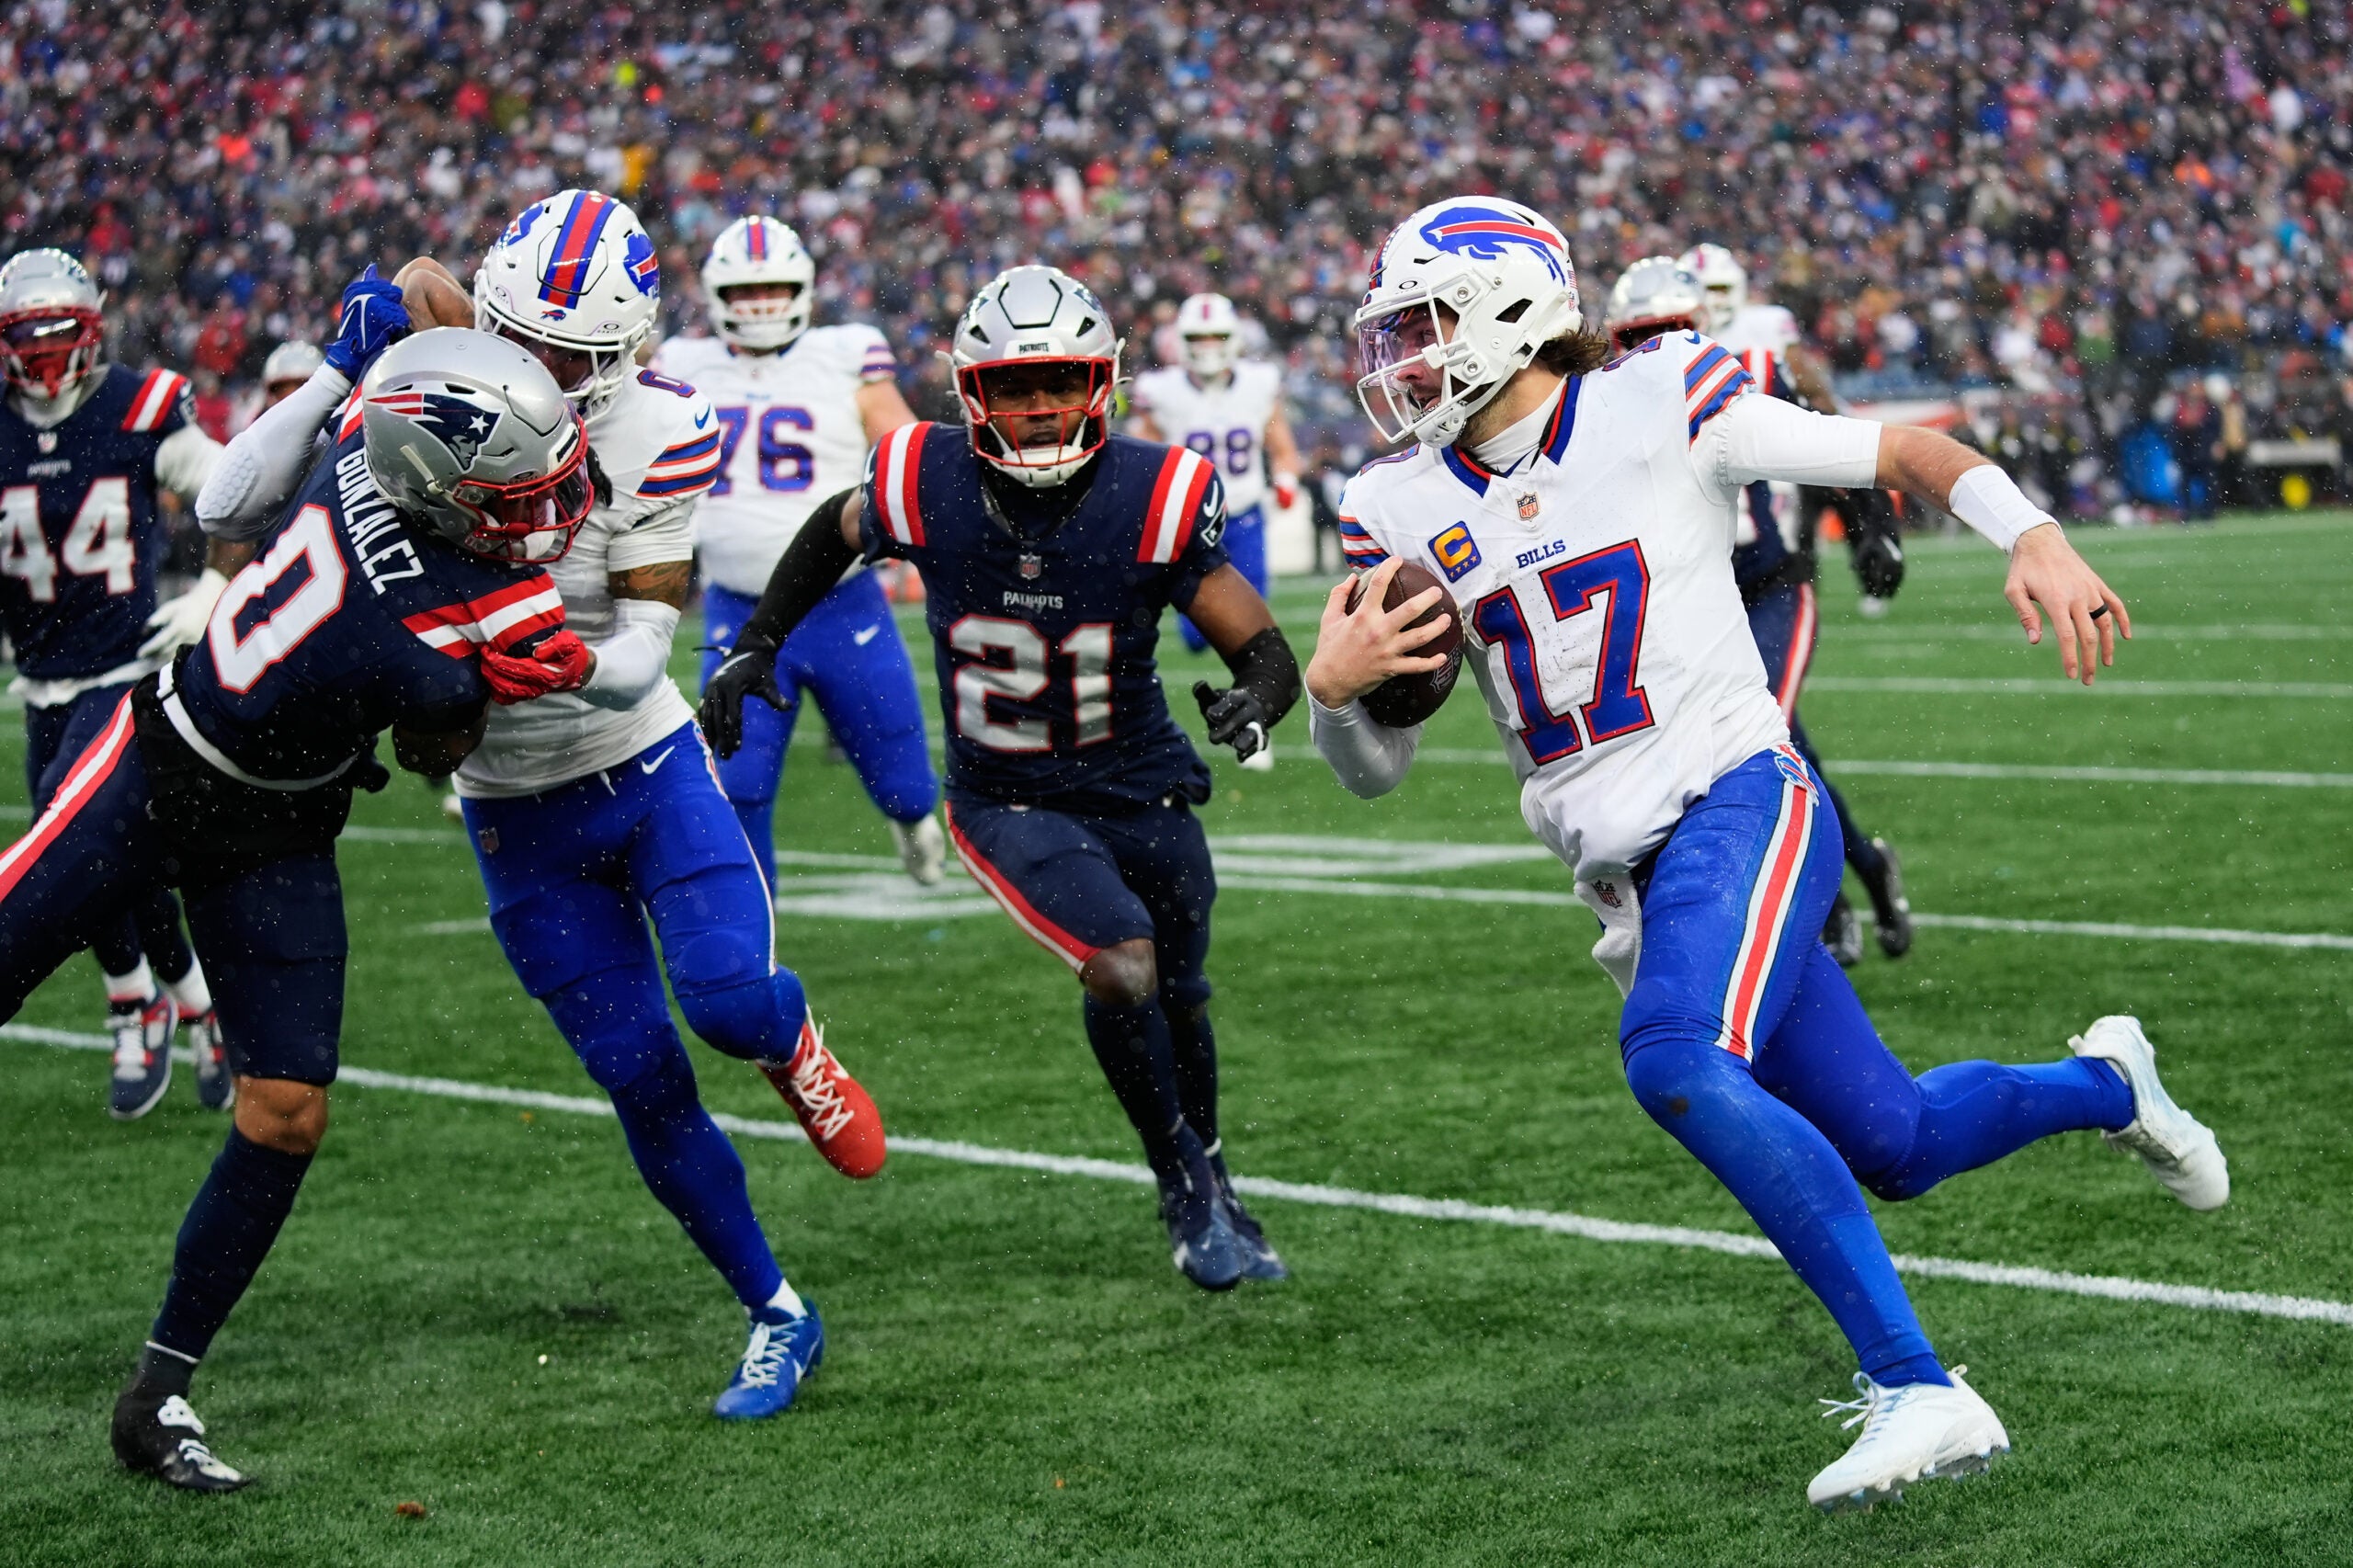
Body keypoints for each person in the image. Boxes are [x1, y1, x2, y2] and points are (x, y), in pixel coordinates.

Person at [1313, 197, 2229, 1510]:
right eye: (1395, 331)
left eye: (1427, 323)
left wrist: (2032, 532)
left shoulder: (1662, 396)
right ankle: (2110, 1083)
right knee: (1898, 1138)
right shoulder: (1392, 502)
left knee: (1674, 1055)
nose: (1404, 358)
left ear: (1512, 307)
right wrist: (1334, 693)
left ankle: (1920, 1384)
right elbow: (1375, 769)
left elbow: (1906, 449)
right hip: (1634, 874)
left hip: (1742, 796)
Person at [0, 316, 594, 1490]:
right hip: (155, 772)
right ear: (442, 488)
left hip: (273, 822)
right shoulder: (432, 635)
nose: (537, 517)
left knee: (283, 1110)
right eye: (509, 499)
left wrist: (440, 341)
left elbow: (405, 311)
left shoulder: (367, 440)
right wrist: (505, 680)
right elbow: (434, 743)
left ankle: (157, 1392)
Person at [366, 191, 889, 1423]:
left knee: (725, 1001)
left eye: (570, 356)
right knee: (639, 1077)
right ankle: (778, 1310)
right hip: (512, 807)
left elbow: (649, 641)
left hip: (640, 757)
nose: (539, 371)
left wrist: (554, 655)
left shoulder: (661, 422)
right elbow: (411, 286)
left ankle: (790, 1040)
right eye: (520, 340)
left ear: (624, 353)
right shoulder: (438, 387)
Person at [702, 266, 1302, 1291]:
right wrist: (758, 639)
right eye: (1014, 385)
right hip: (1008, 792)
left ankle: (1211, 1168)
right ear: (971, 393)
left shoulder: (1157, 491)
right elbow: (832, 530)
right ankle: (1178, 1178)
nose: (1039, 407)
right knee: (1121, 967)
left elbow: (1263, 646)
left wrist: (1257, 696)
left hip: (1143, 781)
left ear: (1101, 384)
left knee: (1182, 997)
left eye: (1061, 381)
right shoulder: (921, 477)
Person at [1607, 256, 1913, 965]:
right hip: (1693, 601)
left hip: (1774, 582)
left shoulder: (1753, 365)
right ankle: (1866, 871)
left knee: (1758, 739)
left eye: (1671, 327)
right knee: (1775, 745)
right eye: (1642, 333)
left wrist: (1871, 526)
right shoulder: (1601, 406)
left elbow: (1832, 438)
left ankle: (1824, 902)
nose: (1658, 344)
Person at [0, 247, 230, 1118]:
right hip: (41, 678)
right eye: (28, 335)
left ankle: (135, 1003)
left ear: (92, 329)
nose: (45, 352)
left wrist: (212, 587)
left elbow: (236, 490)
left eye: (59, 331)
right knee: (106, 859)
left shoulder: (137, 406)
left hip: (126, 669)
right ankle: (198, 1007)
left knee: (70, 836)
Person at [651, 216, 944, 885]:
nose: (760, 305)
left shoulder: (845, 354)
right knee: (738, 785)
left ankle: (911, 822)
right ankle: (757, 927)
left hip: (841, 602)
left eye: (774, 288)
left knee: (902, 774)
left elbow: (905, 450)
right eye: (746, 291)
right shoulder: (682, 364)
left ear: (803, 289)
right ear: (717, 295)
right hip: (736, 609)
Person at [1127, 293, 1301, 769]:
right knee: (1197, 635)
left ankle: (1253, 722)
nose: (1207, 347)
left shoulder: (1259, 384)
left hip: (1244, 519)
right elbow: (1139, 450)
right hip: (1191, 523)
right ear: (1181, 342)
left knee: (1254, 632)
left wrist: (1286, 478)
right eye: (1197, 338)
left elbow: (1281, 444)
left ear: (1233, 339)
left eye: (1216, 337)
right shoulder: (1162, 391)